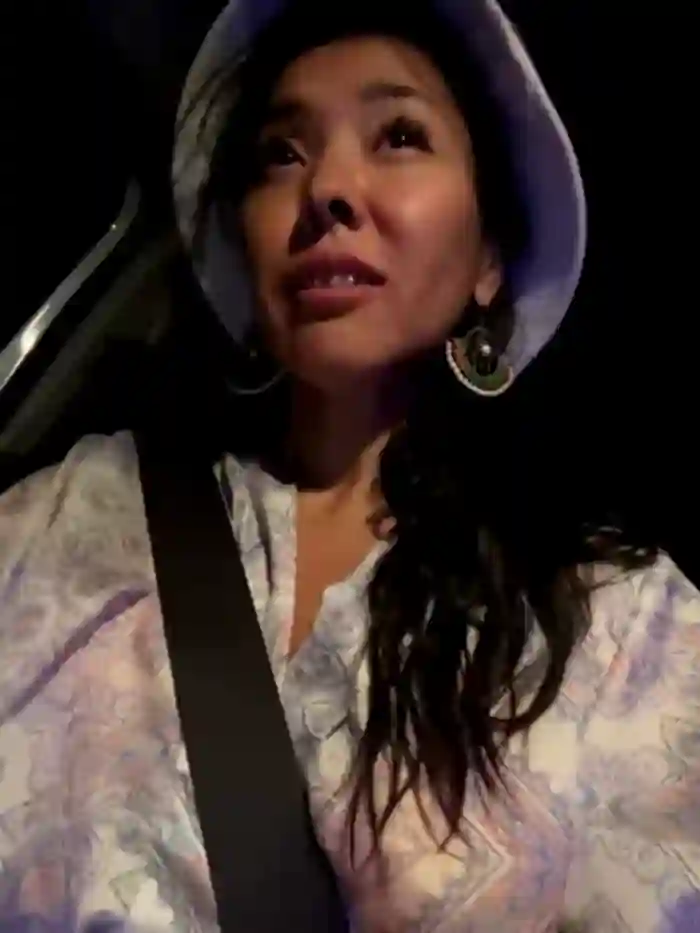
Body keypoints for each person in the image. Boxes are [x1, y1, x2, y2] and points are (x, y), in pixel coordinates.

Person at [0, 0, 698, 930]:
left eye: (399, 136)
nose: (327, 185)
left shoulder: (624, 622)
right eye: (280, 154)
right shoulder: (70, 517)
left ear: (489, 258)